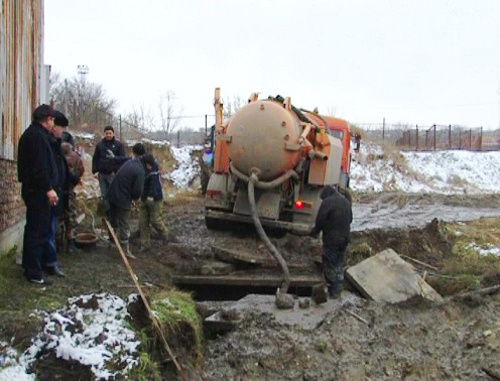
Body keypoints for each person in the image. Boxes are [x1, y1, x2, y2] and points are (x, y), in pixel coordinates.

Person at [17, 104, 58, 285]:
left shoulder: (35, 134)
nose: (53, 124)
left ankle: (32, 267)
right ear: (48, 119)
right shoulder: (36, 137)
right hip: (37, 191)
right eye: (52, 120)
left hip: (35, 190)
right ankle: (34, 272)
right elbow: (39, 167)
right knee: (38, 231)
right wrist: (48, 189)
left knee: (34, 229)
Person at [108, 144, 154, 259]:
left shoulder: (131, 162)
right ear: (148, 164)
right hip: (122, 197)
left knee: (114, 220)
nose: (150, 169)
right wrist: (134, 198)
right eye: (150, 167)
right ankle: (124, 250)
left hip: (112, 193)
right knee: (124, 223)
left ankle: (112, 243)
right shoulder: (140, 171)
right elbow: (137, 190)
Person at [45, 111, 75, 278]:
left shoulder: (55, 143)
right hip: (51, 193)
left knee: (53, 226)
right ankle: (50, 262)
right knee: (49, 229)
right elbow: (46, 169)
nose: (61, 132)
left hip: (58, 192)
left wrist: (70, 179)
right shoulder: (48, 143)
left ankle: (51, 260)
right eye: (61, 128)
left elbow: (60, 168)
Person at [310, 186, 353, 298]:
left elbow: (320, 219)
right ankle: (338, 288)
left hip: (332, 238)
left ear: (326, 195)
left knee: (330, 262)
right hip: (345, 238)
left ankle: (332, 290)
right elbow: (351, 219)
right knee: (339, 262)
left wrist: (314, 231)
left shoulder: (327, 202)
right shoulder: (345, 201)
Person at [92, 126, 126, 215]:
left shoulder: (119, 145)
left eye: (110, 133)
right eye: (106, 133)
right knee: (104, 194)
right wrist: (95, 171)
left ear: (113, 133)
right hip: (102, 174)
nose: (108, 135)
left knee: (114, 193)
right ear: (104, 134)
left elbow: (123, 159)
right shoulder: (100, 145)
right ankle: (107, 213)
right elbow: (95, 158)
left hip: (113, 174)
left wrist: (118, 171)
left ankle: (116, 212)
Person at [140, 156, 168, 251]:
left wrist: (151, 196)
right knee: (143, 222)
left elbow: (155, 186)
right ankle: (145, 244)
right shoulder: (141, 168)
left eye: (149, 165)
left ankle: (165, 235)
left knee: (155, 220)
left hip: (156, 199)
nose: (148, 167)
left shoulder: (154, 171)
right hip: (144, 198)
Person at [61, 141, 85, 252]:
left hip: (56, 190)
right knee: (71, 216)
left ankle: (58, 244)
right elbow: (81, 170)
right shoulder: (75, 157)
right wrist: (75, 181)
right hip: (69, 191)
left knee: (58, 217)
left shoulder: (55, 155)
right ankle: (71, 244)